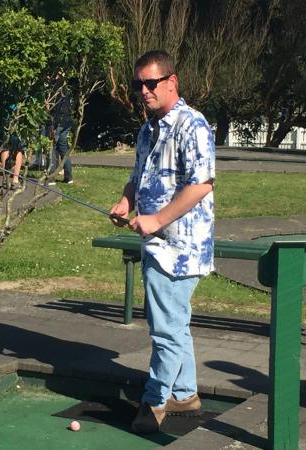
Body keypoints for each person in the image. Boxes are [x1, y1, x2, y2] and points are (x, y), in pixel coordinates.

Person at [109, 50, 215, 433]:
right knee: (173, 323)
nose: (143, 90)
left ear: (172, 82)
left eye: (150, 83)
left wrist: (155, 220)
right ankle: (185, 395)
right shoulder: (146, 128)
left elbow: (201, 184)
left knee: (165, 328)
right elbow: (138, 176)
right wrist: (126, 201)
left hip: (181, 247)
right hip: (157, 242)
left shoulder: (193, 125)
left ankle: (154, 401)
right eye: (138, 84)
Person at [48, 91, 73, 185]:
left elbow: (51, 108)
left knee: (52, 148)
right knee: (63, 147)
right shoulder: (65, 90)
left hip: (58, 121)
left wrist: (52, 125)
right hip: (67, 120)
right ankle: (68, 177)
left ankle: (51, 177)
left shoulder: (55, 89)